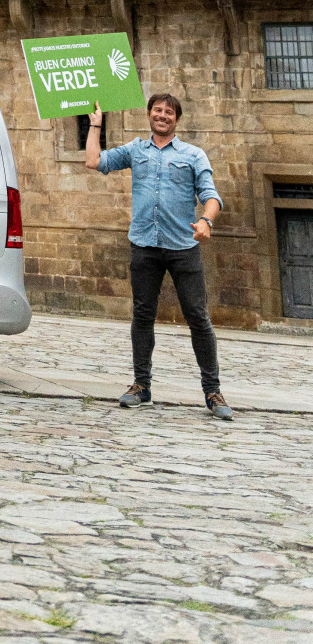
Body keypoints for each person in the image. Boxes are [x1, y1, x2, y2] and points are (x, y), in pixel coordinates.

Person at [87, 93, 232, 421]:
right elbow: (94, 161)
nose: (162, 115)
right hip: (144, 246)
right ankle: (141, 385)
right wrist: (96, 124)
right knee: (142, 315)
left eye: (169, 112)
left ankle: (212, 390)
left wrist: (206, 221)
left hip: (183, 247)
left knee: (198, 317)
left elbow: (211, 196)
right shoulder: (136, 150)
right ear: (150, 114)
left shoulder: (193, 155)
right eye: (157, 110)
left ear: (176, 119)